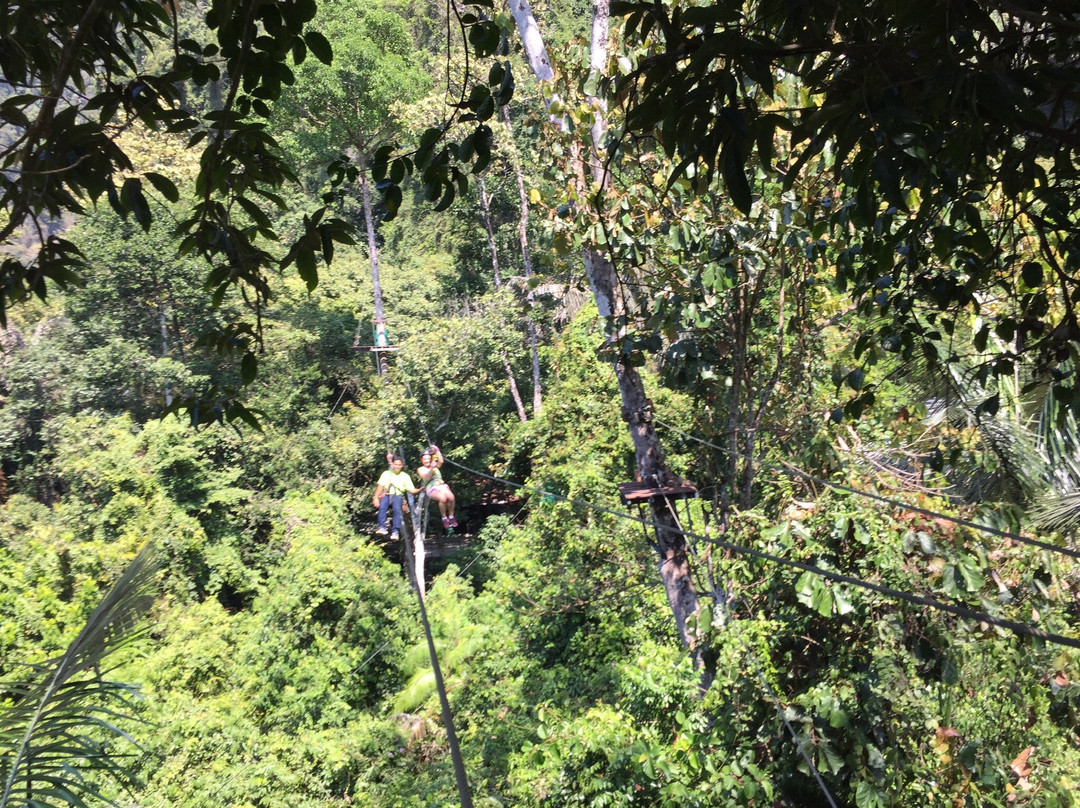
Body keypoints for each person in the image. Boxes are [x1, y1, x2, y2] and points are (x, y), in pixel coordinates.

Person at [373, 455, 420, 540]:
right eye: (396, 464)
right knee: (382, 508)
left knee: (397, 511)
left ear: (402, 465)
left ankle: (395, 531)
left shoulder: (405, 476)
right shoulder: (387, 473)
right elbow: (380, 486)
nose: (397, 466)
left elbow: (411, 490)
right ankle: (382, 527)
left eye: (399, 465)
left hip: (397, 495)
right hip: (387, 494)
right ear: (393, 464)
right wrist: (375, 497)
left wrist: (420, 490)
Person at [417, 445, 457, 531]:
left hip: (441, 485)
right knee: (442, 499)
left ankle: (451, 516)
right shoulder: (421, 469)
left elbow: (441, 461)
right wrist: (431, 467)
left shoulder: (434, 465)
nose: (427, 460)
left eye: (428, 458)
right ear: (421, 460)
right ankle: (444, 518)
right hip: (431, 487)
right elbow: (427, 478)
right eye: (425, 459)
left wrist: (437, 451)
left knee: (451, 497)